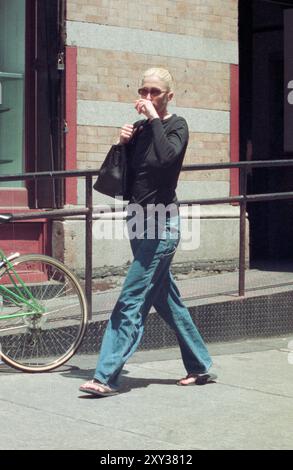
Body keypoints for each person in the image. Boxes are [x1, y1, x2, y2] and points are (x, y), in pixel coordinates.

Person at [79, 67, 216, 397]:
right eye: (144, 91)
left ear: (169, 96)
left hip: (162, 223)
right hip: (137, 219)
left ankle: (106, 375)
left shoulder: (176, 126)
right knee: (166, 299)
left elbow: (167, 159)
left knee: (132, 297)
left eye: (155, 92)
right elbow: (116, 179)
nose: (147, 97)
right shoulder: (140, 130)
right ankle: (200, 365)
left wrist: (154, 118)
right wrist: (120, 143)